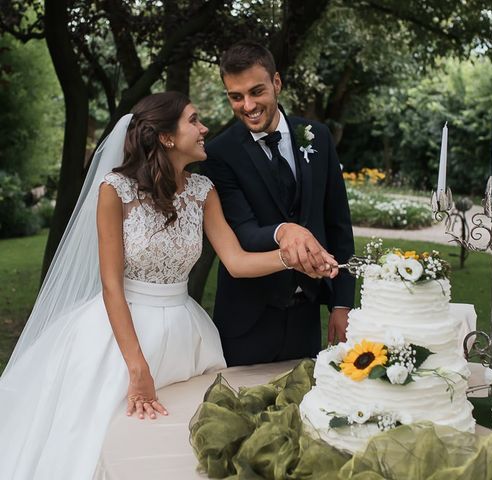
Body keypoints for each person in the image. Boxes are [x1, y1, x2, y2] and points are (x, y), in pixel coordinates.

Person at [0, 92, 337, 480]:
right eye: (194, 120)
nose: (204, 128)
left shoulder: (203, 191)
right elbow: (110, 285)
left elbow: (237, 262)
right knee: (104, 436)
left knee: (172, 445)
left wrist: (292, 260)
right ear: (165, 137)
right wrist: (137, 367)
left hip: (185, 334)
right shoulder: (115, 190)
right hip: (121, 335)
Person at [202, 41, 356, 366]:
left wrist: (342, 304)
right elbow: (242, 230)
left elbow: (337, 222)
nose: (247, 105)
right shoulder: (219, 153)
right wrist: (285, 231)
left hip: (306, 317)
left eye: (256, 91)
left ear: (276, 83)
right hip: (246, 322)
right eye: (235, 96)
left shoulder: (318, 136)